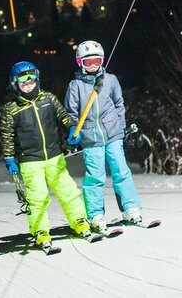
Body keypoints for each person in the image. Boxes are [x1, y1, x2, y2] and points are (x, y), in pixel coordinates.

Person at [0, 61, 93, 253]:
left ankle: (79, 221)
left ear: (37, 79)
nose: (29, 84)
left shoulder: (48, 99)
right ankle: (41, 231)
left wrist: (72, 127)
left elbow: (63, 115)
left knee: (68, 190)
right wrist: (9, 159)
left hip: (54, 156)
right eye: (23, 82)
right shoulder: (12, 109)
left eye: (32, 80)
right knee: (37, 197)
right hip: (30, 161)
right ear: (15, 84)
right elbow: (6, 136)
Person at [64, 40, 143, 234]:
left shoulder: (110, 79)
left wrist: (121, 127)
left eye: (96, 61)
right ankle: (95, 214)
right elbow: (70, 113)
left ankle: (130, 208)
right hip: (91, 138)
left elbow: (118, 103)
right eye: (88, 62)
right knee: (95, 176)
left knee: (121, 171)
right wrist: (73, 130)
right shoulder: (75, 86)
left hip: (113, 134)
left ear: (103, 60)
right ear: (80, 63)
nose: (93, 66)